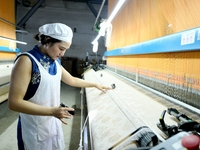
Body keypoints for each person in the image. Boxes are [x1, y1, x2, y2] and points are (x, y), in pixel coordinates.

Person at [8, 23, 112, 150]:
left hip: (52, 122)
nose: (62, 53)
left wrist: (96, 84)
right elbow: (14, 103)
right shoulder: (26, 61)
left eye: (65, 50)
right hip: (33, 127)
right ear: (47, 40)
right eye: (61, 48)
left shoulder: (54, 61)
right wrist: (52, 111)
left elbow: (72, 80)